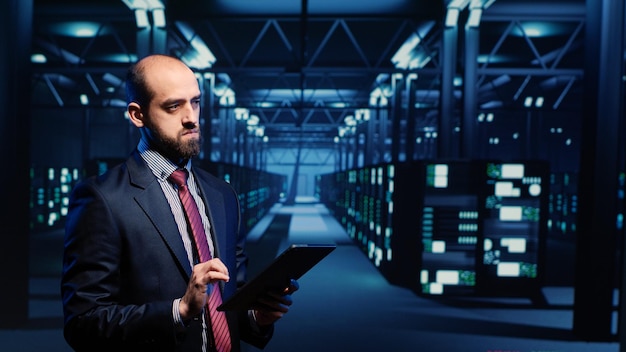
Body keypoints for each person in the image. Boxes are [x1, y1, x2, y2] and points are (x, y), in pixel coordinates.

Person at [61, 54, 298, 352]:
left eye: (195, 102)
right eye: (174, 106)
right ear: (138, 115)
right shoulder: (102, 199)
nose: (191, 117)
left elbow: (229, 302)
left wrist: (256, 317)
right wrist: (179, 311)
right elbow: (83, 324)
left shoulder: (222, 194)